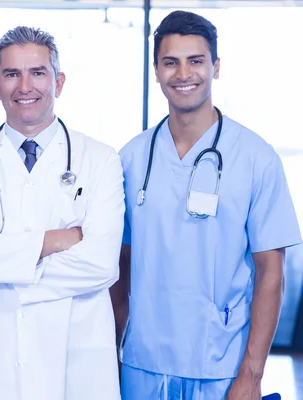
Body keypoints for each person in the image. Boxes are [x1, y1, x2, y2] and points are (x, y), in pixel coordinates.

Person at [112, 11, 301, 399]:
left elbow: (271, 274)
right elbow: (120, 264)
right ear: (156, 70)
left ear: (215, 67)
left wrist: (251, 374)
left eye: (195, 61)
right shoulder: (131, 158)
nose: (184, 74)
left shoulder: (255, 158)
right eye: (171, 62)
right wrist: (110, 355)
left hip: (221, 365)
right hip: (141, 364)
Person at [0, 26, 124, 400]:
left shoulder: (100, 160)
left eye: (38, 72)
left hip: (76, 353)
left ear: (59, 81)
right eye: (12, 74)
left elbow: (102, 264)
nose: (25, 86)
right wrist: (54, 241)